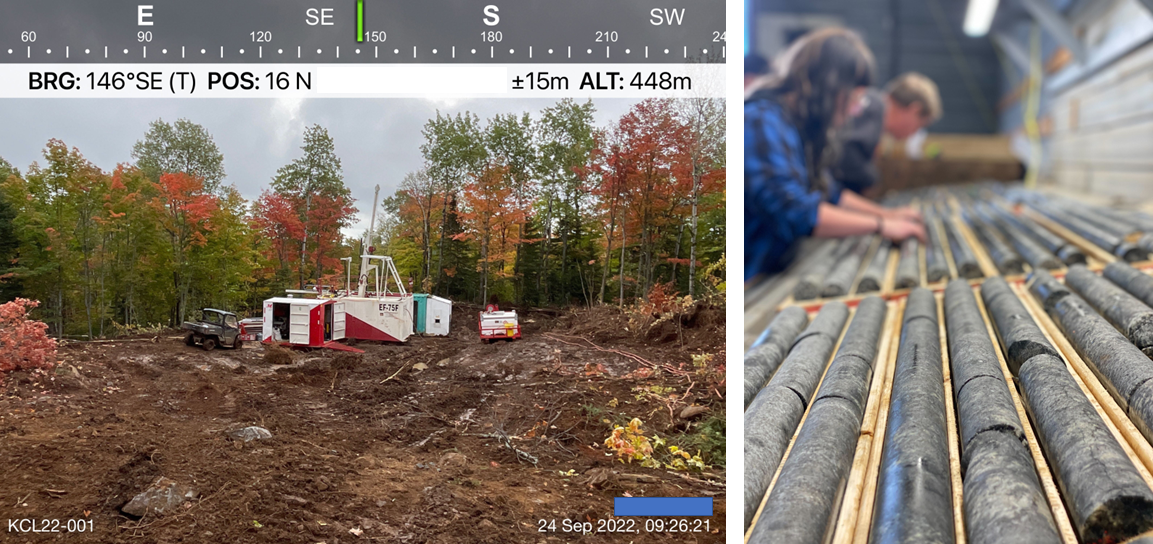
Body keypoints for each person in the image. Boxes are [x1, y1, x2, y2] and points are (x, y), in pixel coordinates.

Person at [745, 28, 925, 281]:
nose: (854, 110)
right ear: (827, 88)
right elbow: (793, 211)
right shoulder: (760, 120)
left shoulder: (796, 127)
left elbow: (830, 191)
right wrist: (881, 226)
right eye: (853, 98)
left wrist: (886, 215)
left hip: (771, 268)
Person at [831, 72, 943, 195]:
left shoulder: (870, 101)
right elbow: (844, 152)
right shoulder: (874, 114)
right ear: (914, 110)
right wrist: (870, 178)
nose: (913, 133)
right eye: (919, 126)